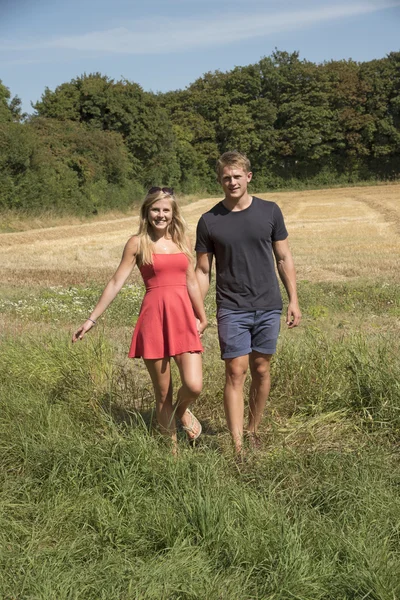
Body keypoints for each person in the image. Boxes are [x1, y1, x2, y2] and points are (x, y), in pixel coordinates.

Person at [73, 187, 207, 450]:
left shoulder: (181, 240)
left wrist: (202, 317)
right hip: (154, 318)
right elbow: (115, 282)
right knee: (163, 394)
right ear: (147, 212)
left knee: (194, 385)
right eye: (155, 210)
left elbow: (191, 280)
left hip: (182, 318)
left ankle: (182, 412)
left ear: (173, 213)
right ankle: (172, 455)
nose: (160, 215)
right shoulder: (137, 243)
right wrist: (91, 319)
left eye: (165, 210)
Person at [195, 152, 301, 455]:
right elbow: (203, 271)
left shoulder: (270, 211)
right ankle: (238, 445)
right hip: (231, 307)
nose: (232, 182)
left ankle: (253, 429)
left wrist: (293, 298)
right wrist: (197, 313)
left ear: (248, 177)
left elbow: (283, 257)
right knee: (235, 371)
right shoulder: (209, 221)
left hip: (268, 304)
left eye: (237, 176)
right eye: (226, 177)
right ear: (220, 180)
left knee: (262, 369)